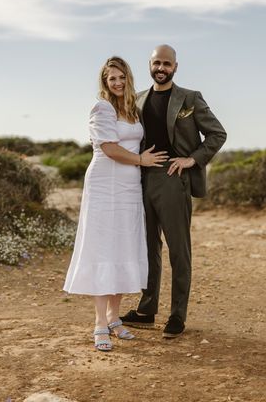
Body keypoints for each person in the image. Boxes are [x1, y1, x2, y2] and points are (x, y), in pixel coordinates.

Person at [121, 44, 226, 338]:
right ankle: (146, 309)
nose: (161, 68)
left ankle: (177, 315)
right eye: (157, 63)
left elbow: (217, 133)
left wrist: (192, 159)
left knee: (179, 251)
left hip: (172, 179)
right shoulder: (138, 99)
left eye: (167, 63)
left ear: (175, 67)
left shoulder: (190, 98)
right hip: (141, 180)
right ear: (149, 65)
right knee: (147, 249)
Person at [63, 56, 168, 351]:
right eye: (112, 79)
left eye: (121, 77)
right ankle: (99, 323)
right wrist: (141, 160)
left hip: (129, 185)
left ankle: (114, 317)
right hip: (105, 184)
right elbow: (109, 148)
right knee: (104, 247)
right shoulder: (102, 108)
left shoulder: (133, 109)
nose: (118, 83)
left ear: (128, 78)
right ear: (105, 82)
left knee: (124, 246)